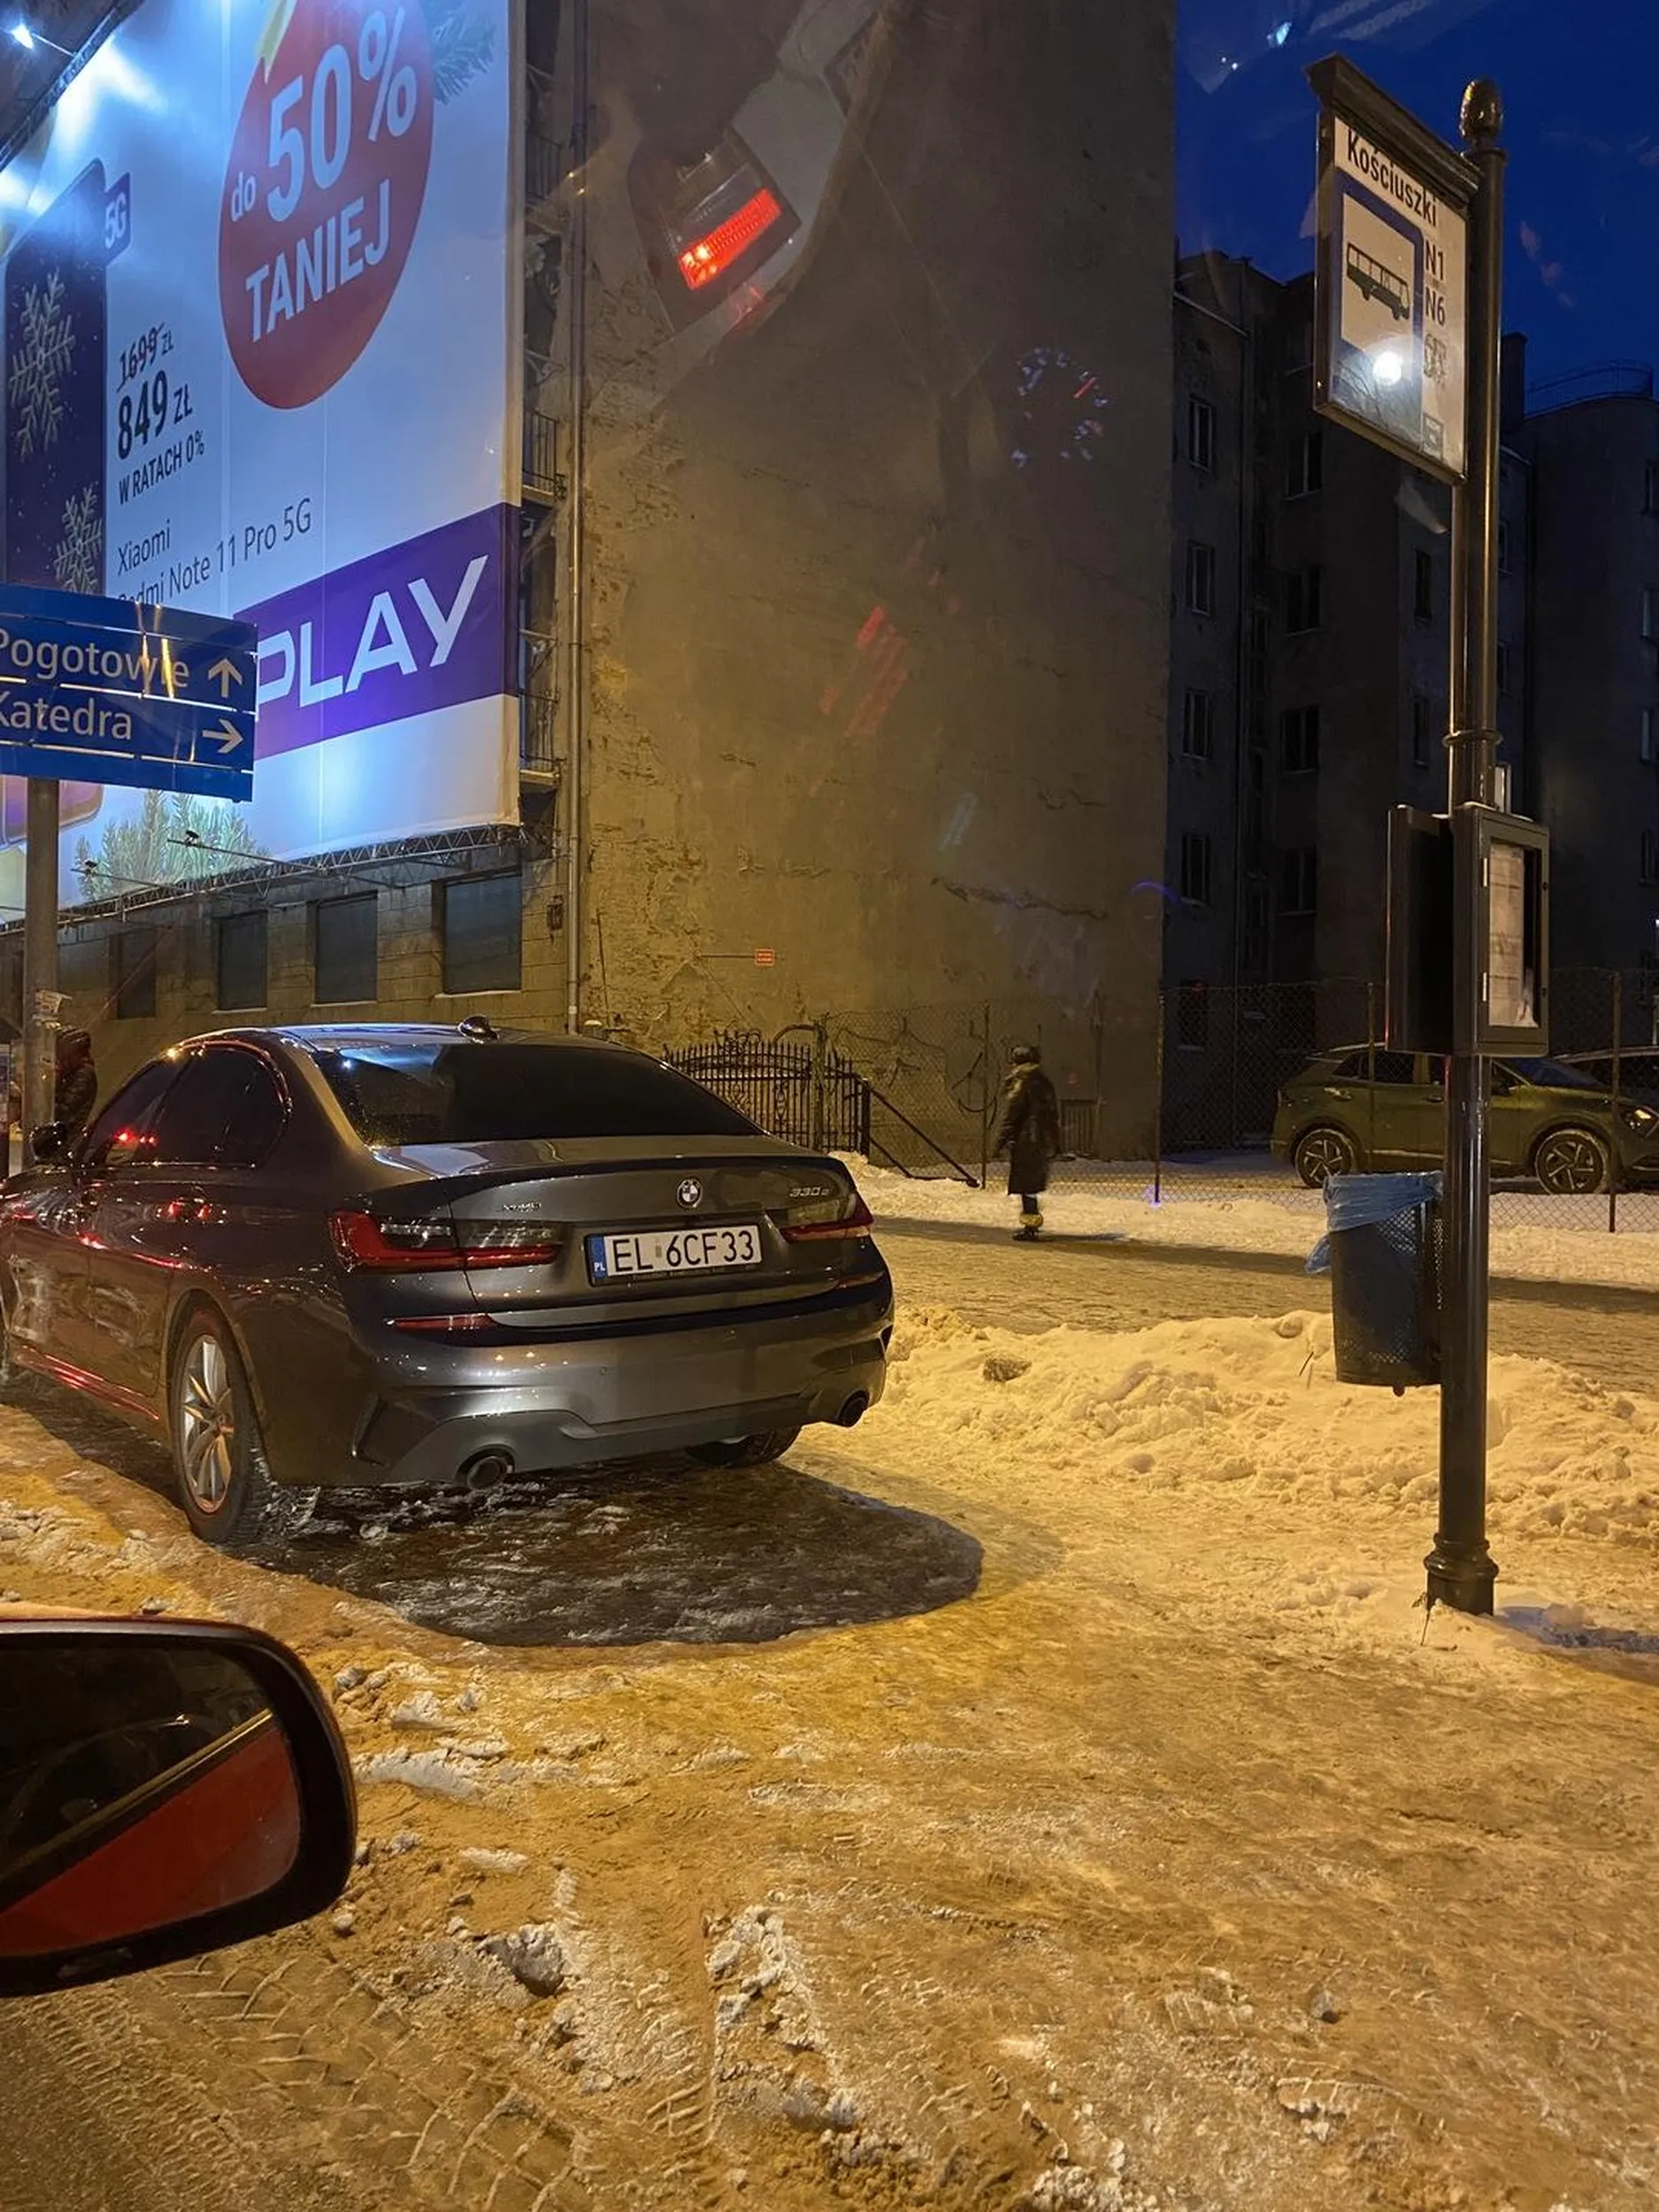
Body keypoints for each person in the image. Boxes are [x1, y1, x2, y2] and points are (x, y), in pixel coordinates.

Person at [993, 1042, 1062, 1240]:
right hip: (1041, 1140)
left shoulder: (1022, 1080)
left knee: (1026, 1186)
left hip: (1026, 1141)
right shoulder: (1043, 1081)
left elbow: (1013, 1114)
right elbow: (1052, 1115)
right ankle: (1031, 1224)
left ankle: (1030, 1227)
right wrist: (1055, 1142)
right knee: (1031, 1186)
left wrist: (1000, 1142)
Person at [54, 1030, 97, 1135]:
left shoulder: (84, 1075)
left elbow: (64, 1111)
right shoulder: (72, 1074)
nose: (60, 1060)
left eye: (63, 1056)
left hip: (69, 1136)